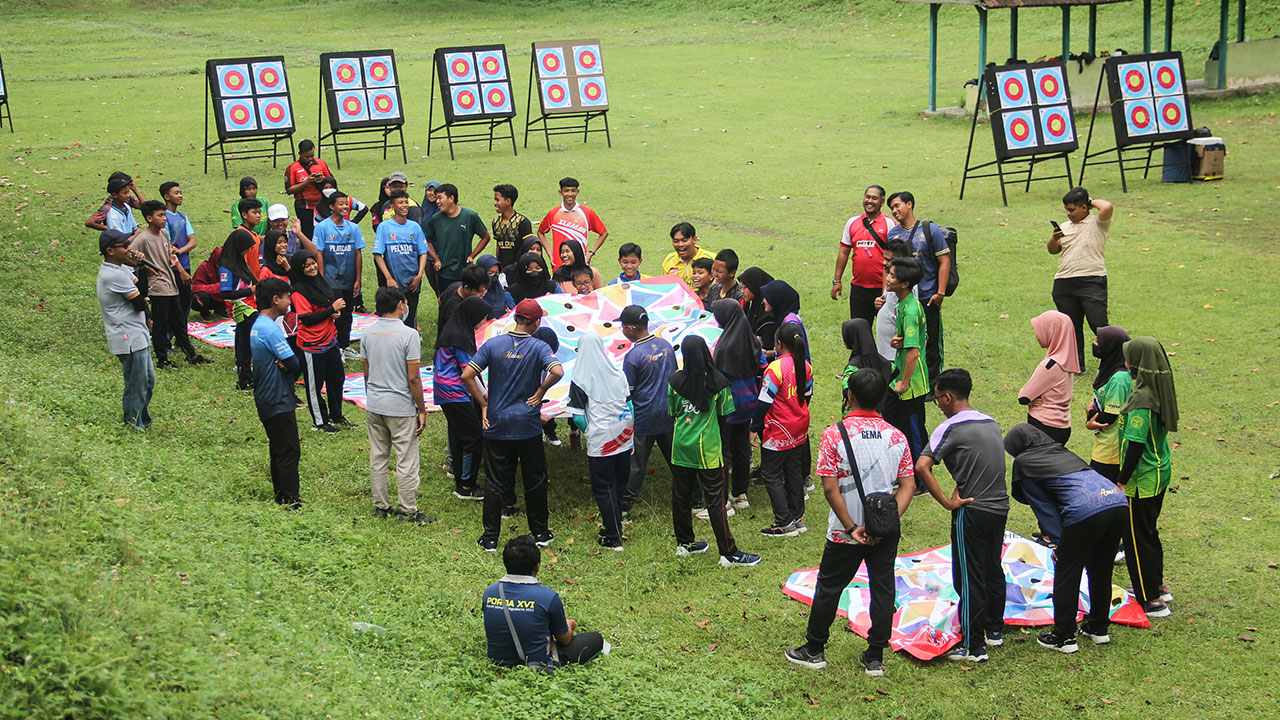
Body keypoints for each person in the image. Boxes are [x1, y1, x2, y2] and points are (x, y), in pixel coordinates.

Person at [783, 368, 914, 675]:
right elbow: (908, 485)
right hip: (884, 533)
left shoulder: (834, 435)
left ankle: (814, 648)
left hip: (845, 533)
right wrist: (887, 520)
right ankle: (875, 657)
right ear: (882, 397)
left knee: (829, 587)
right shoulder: (897, 436)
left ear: (850, 395)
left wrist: (852, 527)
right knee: (883, 589)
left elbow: (830, 488)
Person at [1003, 424, 1128, 652]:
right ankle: (1098, 628)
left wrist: (1060, 544)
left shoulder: (1024, 463)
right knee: (1100, 568)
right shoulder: (1060, 450)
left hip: (1085, 509)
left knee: (1066, 569)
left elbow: (1044, 507)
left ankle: (1063, 636)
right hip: (1117, 501)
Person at [914, 368, 1008, 663]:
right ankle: (995, 630)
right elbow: (979, 463)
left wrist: (946, 501)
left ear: (948, 396)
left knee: (969, 578)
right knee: (993, 568)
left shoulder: (950, 427)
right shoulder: (990, 422)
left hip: (973, 512)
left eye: (938, 400)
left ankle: (972, 645)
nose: (938, 405)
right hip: (999, 507)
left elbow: (921, 467)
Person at [463, 299, 564, 552]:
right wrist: (541, 390)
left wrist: (484, 404)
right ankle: (540, 533)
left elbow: (467, 375)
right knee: (535, 480)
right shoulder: (539, 347)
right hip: (527, 425)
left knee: (495, 481)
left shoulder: (493, 344)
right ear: (537, 322)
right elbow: (558, 371)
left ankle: (490, 538)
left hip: (497, 423)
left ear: (516, 318)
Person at [667, 334, 761, 568]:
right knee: (716, 501)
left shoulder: (674, 382)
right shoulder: (719, 384)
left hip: (680, 448)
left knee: (681, 496)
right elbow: (725, 415)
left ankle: (685, 544)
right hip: (708, 451)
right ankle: (728, 552)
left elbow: (673, 412)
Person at [1117, 336, 1179, 618]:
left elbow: (1136, 444)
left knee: (1136, 538)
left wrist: (1121, 481)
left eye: (1128, 358)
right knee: (1149, 532)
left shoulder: (1141, 398)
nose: (1126, 363)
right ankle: (1157, 585)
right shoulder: (1157, 387)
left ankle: (1150, 599)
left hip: (1141, 480)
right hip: (1159, 472)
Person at [482, 535, 608, 668]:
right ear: (537, 567)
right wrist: (570, 624)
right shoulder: (548, 596)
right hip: (537, 663)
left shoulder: (490, 592)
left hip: (498, 661)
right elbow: (565, 640)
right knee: (595, 639)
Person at [362, 286, 432, 524]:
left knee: (378, 456)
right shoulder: (408, 335)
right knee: (406, 459)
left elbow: (366, 372)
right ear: (401, 304)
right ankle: (408, 510)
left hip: (374, 404)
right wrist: (421, 409)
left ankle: (381, 505)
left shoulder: (367, 332)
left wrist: (372, 395)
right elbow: (413, 378)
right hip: (400, 407)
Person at [568, 333, 635, 551]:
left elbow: (577, 416)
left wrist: (591, 434)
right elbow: (630, 405)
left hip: (601, 442)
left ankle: (613, 536)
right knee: (618, 485)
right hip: (624, 435)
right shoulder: (618, 372)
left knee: (604, 488)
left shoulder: (580, 378)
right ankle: (612, 525)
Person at [753, 323, 813, 537]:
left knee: (770, 473)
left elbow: (763, 402)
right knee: (793, 470)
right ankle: (798, 518)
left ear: (778, 344)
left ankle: (784, 523)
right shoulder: (805, 365)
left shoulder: (775, 368)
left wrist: (754, 427)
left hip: (779, 428)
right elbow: (807, 395)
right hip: (799, 425)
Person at [132, 200, 208, 368]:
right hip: (158, 287)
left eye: (164, 215)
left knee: (179, 322)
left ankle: (192, 355)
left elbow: (169, 255)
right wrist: (143, 267)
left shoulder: (164, 234)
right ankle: (162, 359)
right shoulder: (143, 238)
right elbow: (129, 256)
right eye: (160, 216)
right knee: (160, 324)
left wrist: (180, 270)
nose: (164, 219)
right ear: (149, 218)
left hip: (171, 284)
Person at [618, 305, 677, 518]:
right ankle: (695, 500)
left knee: (636, 465)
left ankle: (624, 507)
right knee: (677, 460)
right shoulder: (666, 346)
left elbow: (628, 392)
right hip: (669, 414)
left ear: (631, 328)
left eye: (623, 327)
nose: (622, 331)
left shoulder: (633, 356)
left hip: (643, 418)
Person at [249, 278, 302, 507]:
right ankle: (291, 500)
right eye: (287, 297)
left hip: (265, 396)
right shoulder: (270, 330)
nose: (289, 301)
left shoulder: (258, 325)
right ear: (275, 300)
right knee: (288, 449)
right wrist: (287, 364)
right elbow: (294, 363)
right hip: (278, 397)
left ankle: (281, 495)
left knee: (277, 448)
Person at [710, 299, 766, 517]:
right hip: (749, 404)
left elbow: (718, 379)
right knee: (742, 449)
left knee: (723, 452)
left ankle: (723, 500)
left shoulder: (723, 347)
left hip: (728, 407)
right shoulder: (752, 341)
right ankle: (741, 494)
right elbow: (762, 365)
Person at [887, 191, 950, 381]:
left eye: (897, 206)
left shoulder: (930, 230)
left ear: (910, 204)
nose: (894, 211)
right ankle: (908, 376)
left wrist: (940, 293)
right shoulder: (893, 234)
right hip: (904, 298)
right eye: (891, 208)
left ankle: (933, 381)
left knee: (930, 342)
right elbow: (888, 265)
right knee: (906, 340)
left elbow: (944, 261)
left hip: (928, 297)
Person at [1049, 188, 1114, 370]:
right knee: (1071, 327)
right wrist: (1054, 239)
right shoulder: (1065, 226)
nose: (1068, 214)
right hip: (1064, 281)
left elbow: (1107, 207)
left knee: (1099, 325)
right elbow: (1053, 250)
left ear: (1084, 207)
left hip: (1091, 280)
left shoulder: (1098, 223)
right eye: (1067, 210)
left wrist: (1091, 200)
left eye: (1072, 209)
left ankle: (1119, 361)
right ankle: (1076, 365)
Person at [96, 230, 155, 431]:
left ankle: (142, 419)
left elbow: (140, 287)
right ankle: (133, 424)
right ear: (110, 251)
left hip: (137, 333)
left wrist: (139, 266)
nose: (129, 249)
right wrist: (140, 267)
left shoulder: (120, 269)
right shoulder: (113, 275)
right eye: (124, 246)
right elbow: (140, 301)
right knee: (136, 383)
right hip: (127, 336)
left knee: (148, 381)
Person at [435, 296, 492, 502]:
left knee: (460, 437)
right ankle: (466, 485)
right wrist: (484, 399)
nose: (483, 321)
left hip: (445, 392)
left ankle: (459, 475)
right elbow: (468, 373)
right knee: (473, 437)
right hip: (455, 393)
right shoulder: (459, 337)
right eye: (482, 317)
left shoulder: (455, 330)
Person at [289, 249, 349, 432]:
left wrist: (333, 313)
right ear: (300, 269)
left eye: (313, 263)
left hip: (330, 339)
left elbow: (323, 306)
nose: (312, 267)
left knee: (337, 378)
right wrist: (332, 309)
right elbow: (307, 319)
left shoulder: (320, 282)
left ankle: (336, 415)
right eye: (306, 266)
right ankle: (320, 422)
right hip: (312, 345)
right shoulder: (298, 292)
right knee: (314, 386)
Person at [881, 258, 928, 461]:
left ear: (905, 283)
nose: (887, 278)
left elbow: (913, 353)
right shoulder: (903, 303)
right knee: (893, 421)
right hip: (899, 374)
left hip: (911, 382)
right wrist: (898, 342)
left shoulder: (910, 311)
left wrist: (904, 383)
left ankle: (921, 477)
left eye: (892, 275)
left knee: (914, 430)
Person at [311, 191, 365, 361]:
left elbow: (358, 254)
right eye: (340, 204)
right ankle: (332, 347)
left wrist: (358, 279)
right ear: (331, 206)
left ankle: (344, 346)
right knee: (334, 312)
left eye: (346, 204)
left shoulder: (353, 228)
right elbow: (318, 254)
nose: (344, 207)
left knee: (348, 313)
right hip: (330, 279)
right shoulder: (322, 228)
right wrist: (321, 278)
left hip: (349, 279)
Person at [833, 185, 897, 324]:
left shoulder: (889, 224)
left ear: (882, 201)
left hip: (882, 290)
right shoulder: (852, 223)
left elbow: (896, 257)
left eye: (874, 198)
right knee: (858, 332)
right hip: (858, 289)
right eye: (867, 197)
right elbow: (844, 251)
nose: (870, 201)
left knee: (886, 332)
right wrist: (837, 280)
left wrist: (888, 291)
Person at [1019, 310, 1080, 445]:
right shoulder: (1068, 361)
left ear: (1052, 332)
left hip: (1044, 426)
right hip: (1063, 425)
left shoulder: (1050, 366)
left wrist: (1031, 399)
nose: (1036, 336)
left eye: (1040, 330)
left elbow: (1023, 397)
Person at [222, 200, 264, 389]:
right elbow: (227, 294)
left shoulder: (238, 259)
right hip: (240, 305)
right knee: (247, 339)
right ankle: (244, 376)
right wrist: (253, 288)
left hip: (248, 302)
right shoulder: (227, 267)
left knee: (245, 339)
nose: (247, 252)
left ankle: (245, 375)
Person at [373, 190, 429, 328]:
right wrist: (388, 278)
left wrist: (419, 275)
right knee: (392, 317)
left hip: (412, 282)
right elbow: (377, 254)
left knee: (410, 313)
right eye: (400, 203)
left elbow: (423, 252)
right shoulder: (384, 227)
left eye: (406, 202)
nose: (404, 206)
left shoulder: (415, 227)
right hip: (394, 283)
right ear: (392, 207)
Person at [1086, 326, 1133, 480]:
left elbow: (1110, 417)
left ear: (1111, 346)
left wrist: (1090, 420)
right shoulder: (1106, 369)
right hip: (1103, 442)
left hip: (1112, 448)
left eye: (1098, 341)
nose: (1094, 344)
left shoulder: (1119, 379)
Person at [425, 183, 490, 295]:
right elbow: (426, 240)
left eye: (440, 198)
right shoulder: (436, 219)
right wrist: (436, 259)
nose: (437, 202)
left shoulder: (470, 216)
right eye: (437, 198)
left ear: (451, 198)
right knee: (445, 302)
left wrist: (472, 255)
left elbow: (485, 237)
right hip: (444, 272)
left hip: (465, 272)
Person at [538, 176, 608, 269]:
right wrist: (550, 254)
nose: (570, 194)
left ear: (577, 192)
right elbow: (540, 232)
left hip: (580, 264)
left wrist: (590, 253)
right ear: (560, 192)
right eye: (566, 191)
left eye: (573, 190)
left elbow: (604, 233)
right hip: (559, 265)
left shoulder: (587, 212)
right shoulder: (553, 213)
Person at [160, 180, 198, 324]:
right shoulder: (164, 217)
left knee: (185, 301)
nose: (180, 195)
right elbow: (167, 245)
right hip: (173, 267)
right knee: (174, 303)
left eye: (181, 192)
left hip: (185, 263)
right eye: (176, 193)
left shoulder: (183, 216)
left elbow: (193, 241)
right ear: (166, 196)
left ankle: (182, 336)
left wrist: (181, 250)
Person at [873, 239, 914, 365]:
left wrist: (906, 340)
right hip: (885, 351)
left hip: (895, 355)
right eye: (884, 258)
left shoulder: (908, 288)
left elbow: (913, 319)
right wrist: (879, 303)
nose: (885, 263)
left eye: (889, 260)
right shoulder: (892, 279)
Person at [284, 140, 331, 239]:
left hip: (322, 206)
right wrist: (306, 182)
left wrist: (323, 181)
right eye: (307, 156)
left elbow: (332, 183)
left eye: (312, 155)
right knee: (308, 235)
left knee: (326, 234)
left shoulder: (321, 163)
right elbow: (289, 190)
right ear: (300, 153)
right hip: (304, 208)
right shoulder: (292, 168)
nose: (310, 159)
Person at [437, 264, 490, 340]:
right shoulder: (456, 309)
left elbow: (440, 300)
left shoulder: (456, 285)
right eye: (480, 291)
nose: (483, 294)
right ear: (466, 288)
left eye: (485, 290)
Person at [491, 183, 535, 271]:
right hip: (503, 269)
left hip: (518, 269)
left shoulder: (522, 222)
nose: (495, 203)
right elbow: (498, 245)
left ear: (508, 201)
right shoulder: (496, 222)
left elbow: (529, 246)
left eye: (497, 200)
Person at [760, 280, 807, 358]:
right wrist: (769, 353)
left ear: (777, 299)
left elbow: (793, 356)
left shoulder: (789, 324)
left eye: (767, 297)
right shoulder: (784, 317)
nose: (763, 300)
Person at [737, 267, 776, 356]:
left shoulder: (767, 319)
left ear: (755, 287)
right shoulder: (755, 307)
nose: (741, 291)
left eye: (745, 288)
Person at [190, 247, 226, 321]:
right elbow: (195, 288)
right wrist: (216, 287)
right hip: (208, 297)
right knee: (201, 296)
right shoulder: (204, 267)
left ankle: (221, 310)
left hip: (220, 296)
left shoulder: (227, 269)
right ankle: (205, 313)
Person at [475, 254, 514, 320]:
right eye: (490, 273)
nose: (494, 276)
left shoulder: (500, 290)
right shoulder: (474, 292)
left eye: (497, 273)